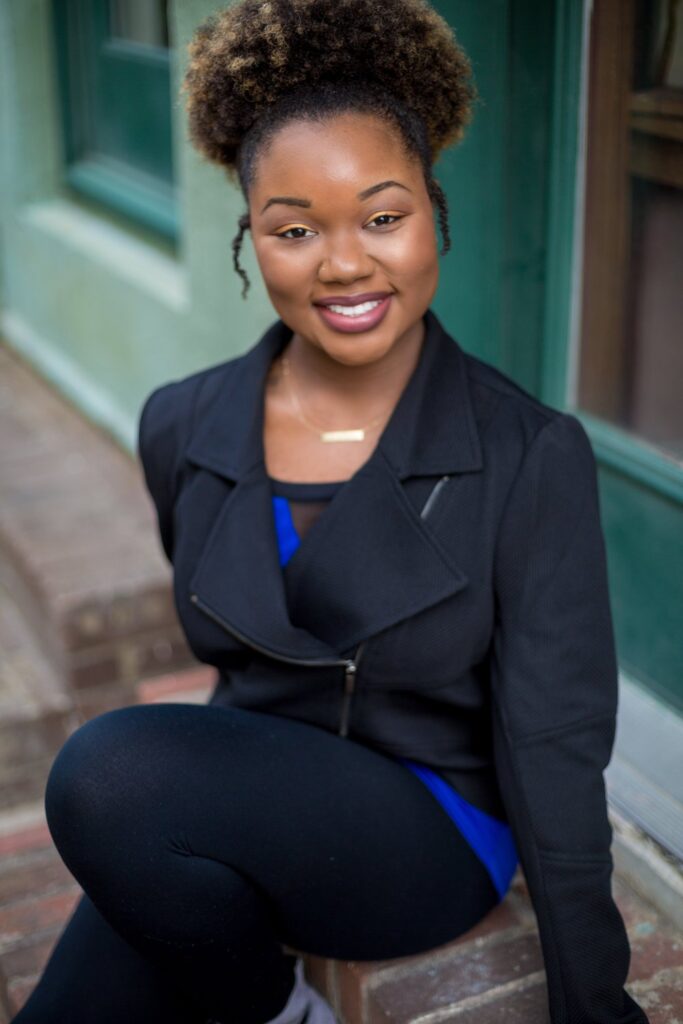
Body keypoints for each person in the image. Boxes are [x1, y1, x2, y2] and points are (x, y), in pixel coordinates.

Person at [12, 1, 649, 1023]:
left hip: (425, 826)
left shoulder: (524, 452)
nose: (343, 262)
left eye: (381, 216)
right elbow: (243, 666)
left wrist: (591, 998)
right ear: (250, 240)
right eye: (294, 229)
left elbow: (554, 739)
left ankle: (274, 1007)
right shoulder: (183, 424)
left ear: (435, 212)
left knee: (109, 773)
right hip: (258, 798)